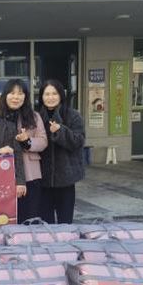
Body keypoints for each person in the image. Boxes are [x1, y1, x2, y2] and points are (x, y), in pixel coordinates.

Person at [0, 79, 48, 221]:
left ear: (25, 96)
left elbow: (43, 141)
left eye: (20, 94)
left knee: (29, 216)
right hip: (2, 172)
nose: (16, 97)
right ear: (5, 95)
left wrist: (27, 141)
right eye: (12, 93)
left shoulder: (34, 116)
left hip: (30, 174)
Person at [38, 79, 85, 224]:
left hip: (66, 179)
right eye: (47, 94)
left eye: (54, 93)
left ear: (61, 95)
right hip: (43, 179)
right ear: (41, 96)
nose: (50, 97)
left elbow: (78, 141)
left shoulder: (73, 115)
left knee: (65, 222)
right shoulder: (36, 116)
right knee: (45, 222)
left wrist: (60, 130)